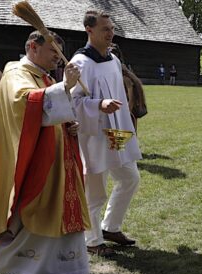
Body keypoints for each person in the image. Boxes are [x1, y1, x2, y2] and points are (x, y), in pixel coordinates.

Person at [0, 31, 91, 274]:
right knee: (37, 205)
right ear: (33, 47)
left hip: (56, 155)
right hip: (32, 158)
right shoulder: (16, 73)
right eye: (53, 51)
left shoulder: (42, 76)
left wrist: (69, 124)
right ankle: (27, 267)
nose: (58, 58)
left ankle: (65, 266)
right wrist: (64, 86)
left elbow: (53, 112)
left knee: (60, 202)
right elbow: (24, 105)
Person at [70, 10, 141, 256]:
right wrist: (98, 105)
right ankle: (92, 240)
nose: (110, 33)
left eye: (111, 28)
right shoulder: (80, 62)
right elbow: (72, 103)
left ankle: (110, 227)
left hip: (116, 130)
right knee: (95, 188)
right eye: (105, 29)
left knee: (130, 177)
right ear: (89, 30)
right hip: (94, 135)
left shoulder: (114, 60)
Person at [109, 43, 147, 132]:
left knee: (128, 136)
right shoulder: (119, 73)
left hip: (126, 111)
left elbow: (131, 98)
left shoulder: (124, 77)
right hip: (121, 110)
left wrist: (126, 114)